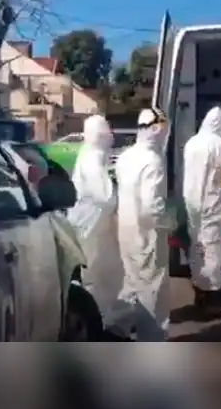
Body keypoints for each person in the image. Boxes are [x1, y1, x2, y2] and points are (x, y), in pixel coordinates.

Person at [114, 107, 175, 341]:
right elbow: (152, 206)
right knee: (152, 288)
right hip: (147, 234)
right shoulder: (153, 161)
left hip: (126, 230)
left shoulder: (126, 156)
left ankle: (120, 333)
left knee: (132, 283)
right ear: (157, 129)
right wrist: (169, 224)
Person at [66, 114, 124, 335]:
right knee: (96, 275)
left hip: (92, 224)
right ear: (101, 135)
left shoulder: (90, 154)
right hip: (92, 227)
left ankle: (102, 318)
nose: (111, 136)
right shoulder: (93, 158)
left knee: (102, 274)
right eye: (107, 132)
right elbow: (105, 196)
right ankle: (99, 323)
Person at [182, 106, 221, 312]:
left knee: (197, 245)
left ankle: (199, 290)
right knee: (212, 248)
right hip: (211, 203)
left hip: (191, 202)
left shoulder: (191, 143)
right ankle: (212, 298)